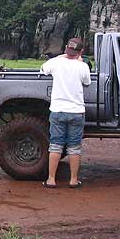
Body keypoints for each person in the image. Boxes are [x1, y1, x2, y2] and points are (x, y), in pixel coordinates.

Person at [40, 37, 91, 188]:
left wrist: (60, 57)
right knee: (74, 147)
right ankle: (73, 180)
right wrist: (80, 61)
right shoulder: (82, 67)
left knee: (55, 145)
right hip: (76, 112)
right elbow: (87, 82)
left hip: (58, 111)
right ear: (80, 51)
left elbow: (43, 69)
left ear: (66, 49)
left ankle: (51, 179)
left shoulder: (56, 62)